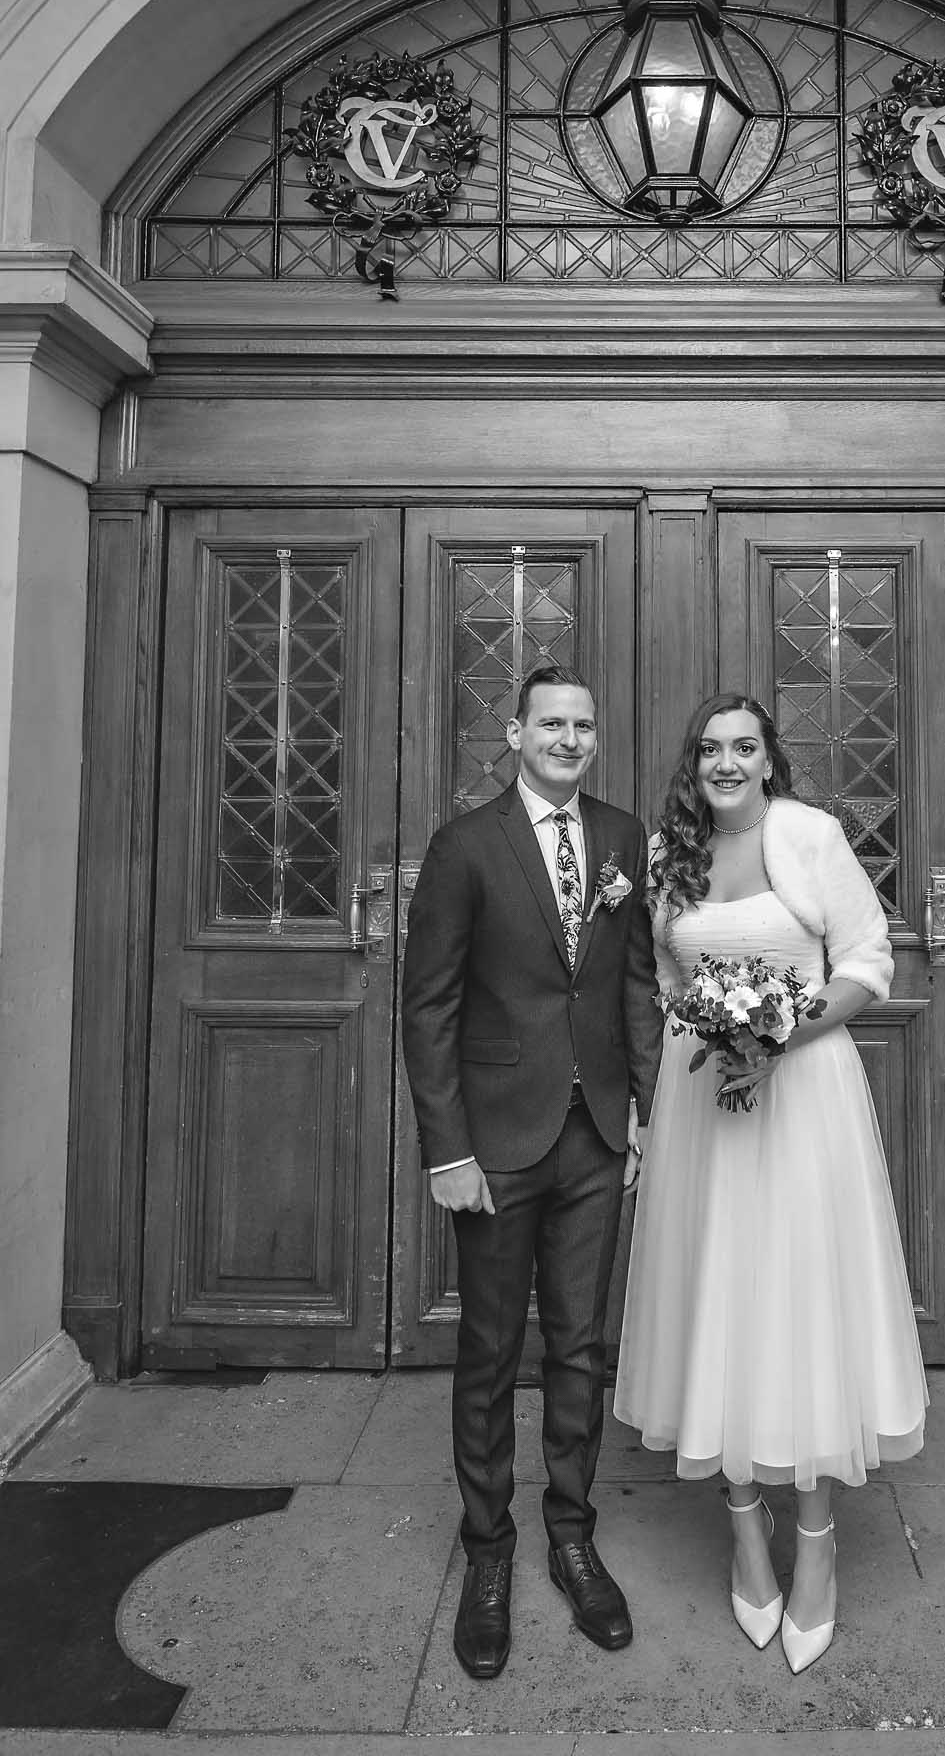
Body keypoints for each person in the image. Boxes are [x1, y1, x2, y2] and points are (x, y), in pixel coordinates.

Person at [614, 692, 928, 1675]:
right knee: (722, 1302)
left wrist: (776, 1033)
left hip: (803, 1101)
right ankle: (744, 1529)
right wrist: (708, 1037)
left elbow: (867, 960)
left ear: (766, 756)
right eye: (708, 747)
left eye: (742, 746)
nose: (725, 761)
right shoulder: (670, 855)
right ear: (691, 761)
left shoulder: (810, 834)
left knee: (798, 1308)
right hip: (705, 1105)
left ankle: (818, 1544)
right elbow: (665, 984)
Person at [401, 664, 662, 1681]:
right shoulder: (465, 846)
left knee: (583, 1343)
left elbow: (634, 974)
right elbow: (429, 1009)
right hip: (496, 1144)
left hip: (596, 1130)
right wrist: (447, 1149)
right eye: (550, 721)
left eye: (583, 723)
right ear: (512, 731)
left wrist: (641, 1104)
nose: (568, 737)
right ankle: (488, 1553)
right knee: (490, 1347)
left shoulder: (621, 834)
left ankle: (571, 1534)